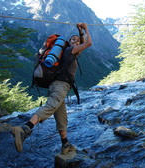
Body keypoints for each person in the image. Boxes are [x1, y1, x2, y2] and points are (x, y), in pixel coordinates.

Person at [11, 23, 92, 154]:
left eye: (77, 40)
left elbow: (83, 43)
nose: (76, 41)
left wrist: (80, 32)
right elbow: (89, 43)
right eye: (73, 39)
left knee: (61, 116)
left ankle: (65, 144)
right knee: (50, 106)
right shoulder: (70, 51)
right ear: (68, 43)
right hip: (60, 86)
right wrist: (86, 28)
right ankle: (25, 128)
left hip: (57, 86)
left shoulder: (70, 52)